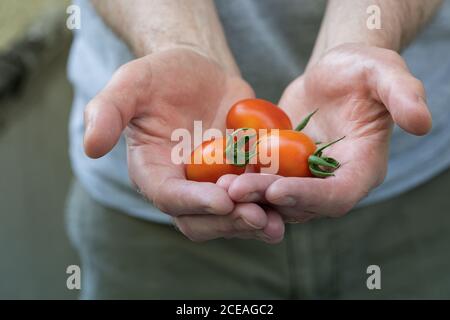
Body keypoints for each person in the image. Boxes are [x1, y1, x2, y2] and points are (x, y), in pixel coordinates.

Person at [66, 0, 450, 299]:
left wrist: (366, 39)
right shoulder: (282, 145)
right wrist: (180, 44)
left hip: (416, 186)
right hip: (149, 221)